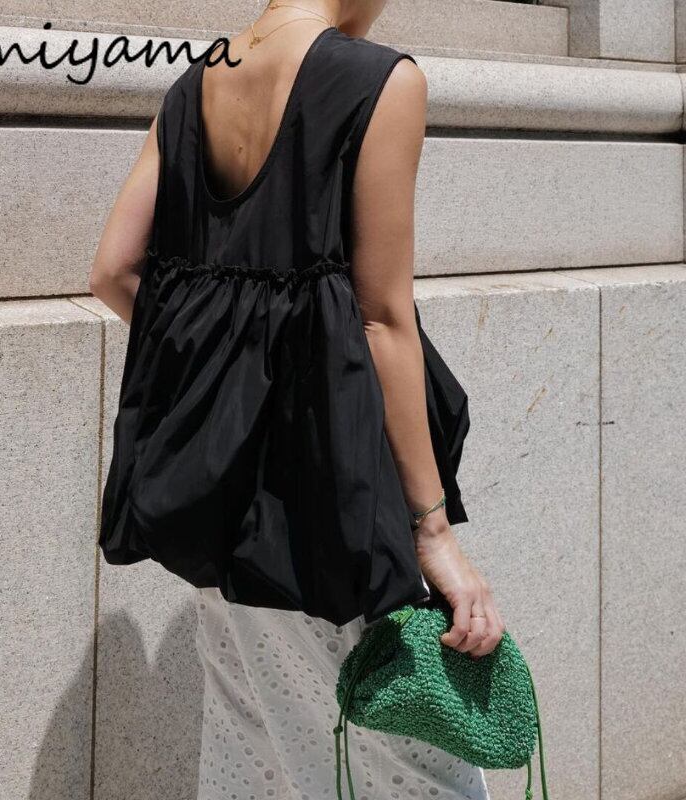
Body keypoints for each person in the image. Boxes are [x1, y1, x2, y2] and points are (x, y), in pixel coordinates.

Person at [89, 1, 504, 797]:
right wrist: (433, 533)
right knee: (414, 769)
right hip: (331, 507)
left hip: (222, 515)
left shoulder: (195, 85)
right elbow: (381, 321)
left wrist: (228, 373)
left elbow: (112, 271)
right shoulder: (382, 81)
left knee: (254, 761)